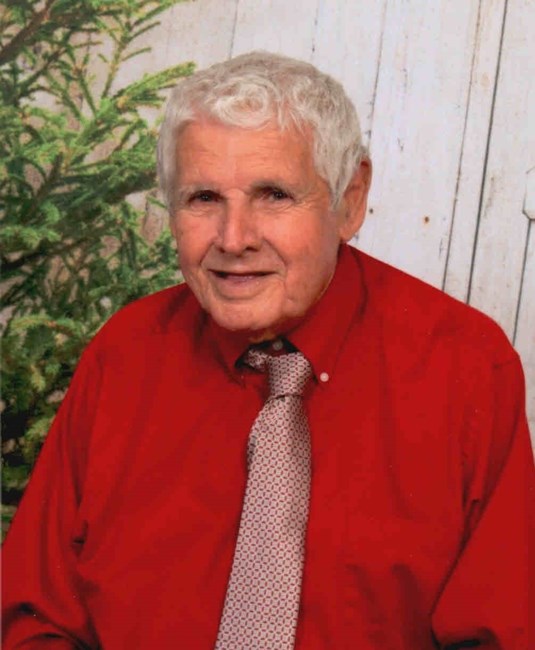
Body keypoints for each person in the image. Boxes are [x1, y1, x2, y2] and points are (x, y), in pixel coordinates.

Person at [2, 51, 533, 649]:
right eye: (204, 198)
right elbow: (33, 620)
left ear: (350, 199)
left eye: (274, 194)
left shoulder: (464, 367)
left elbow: (500, 636)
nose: (234, 239)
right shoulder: (125, 355)